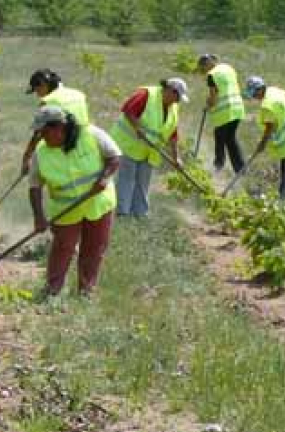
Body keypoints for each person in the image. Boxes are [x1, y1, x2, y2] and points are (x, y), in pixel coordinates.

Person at [29, 105, 121, 297]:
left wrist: (103, 180)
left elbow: (114, 157)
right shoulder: (41, 152)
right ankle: (52, 290)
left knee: (94, 248)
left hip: (98, 203)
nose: (41, 137)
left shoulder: (92, 134)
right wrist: (39, 217)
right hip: (65, 210)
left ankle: (86, 291)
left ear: (59, 127)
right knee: (63, 249)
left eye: (44, 132)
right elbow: (35, 186)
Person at [110, 78, 189, 217]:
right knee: (127, 179)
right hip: (129, 144)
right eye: (177, 98)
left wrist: (177, 157)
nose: (178, 102)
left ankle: (140, 214)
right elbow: (128, 109)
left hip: (149, 151)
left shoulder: (174, 107)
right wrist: (137, 128)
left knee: (143, 182)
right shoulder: (147, 95)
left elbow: (173, 134)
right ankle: (123, 213)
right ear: (170, 91)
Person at [22, 68, 90, 176]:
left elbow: (39, 132)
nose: (38, 95)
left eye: (37, 90)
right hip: (86, 148)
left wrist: (27, 157)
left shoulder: (48, 101)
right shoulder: (78, 94)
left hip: (61, 149)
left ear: (44, 85)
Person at [197, 54, 246, 173]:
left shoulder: (212, 75)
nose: (204, 70)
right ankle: (240, 170)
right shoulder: (228, 68)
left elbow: (214, 98)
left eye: (203, 67)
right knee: (230, 139)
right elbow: (226, 87)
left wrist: (207, 106)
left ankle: (218, 166)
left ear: (207, 63)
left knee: (219, 136)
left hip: (225, 111)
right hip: (238, 107)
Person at [243, 76, 285, 198]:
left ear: (260, 89)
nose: (254, 97)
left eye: (254, 94)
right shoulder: (274, 91)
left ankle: (281, 204)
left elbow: (269, 129)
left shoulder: (267, 106)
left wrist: (261, 145)